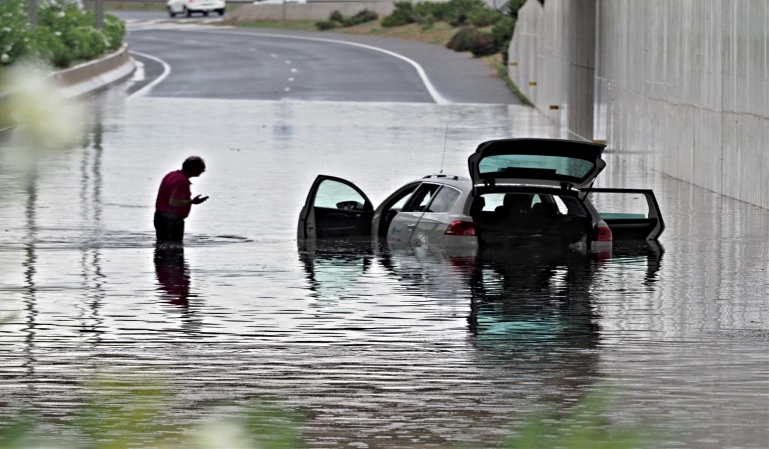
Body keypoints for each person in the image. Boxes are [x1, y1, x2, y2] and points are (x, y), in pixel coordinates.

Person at [154, 156, 208, 242]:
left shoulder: (171, 175)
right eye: (202, 170)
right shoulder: (182, 181)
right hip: (172, 219)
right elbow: (173, 202)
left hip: (159, 216)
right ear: (195, 170)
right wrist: (193, 201)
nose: (202, 172)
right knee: (174, 250)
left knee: (162, 247)